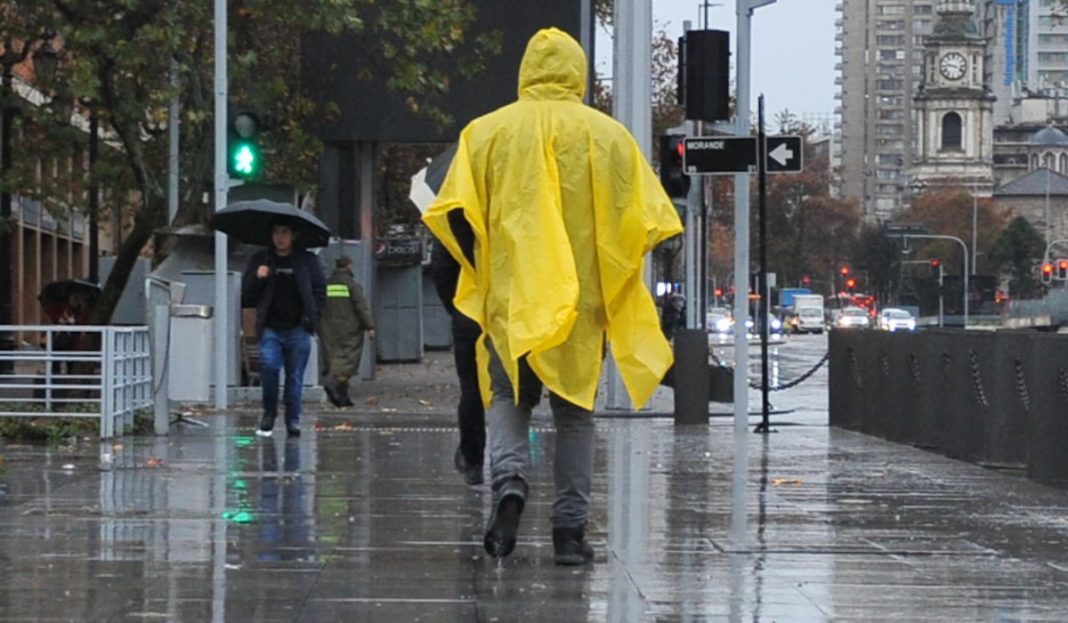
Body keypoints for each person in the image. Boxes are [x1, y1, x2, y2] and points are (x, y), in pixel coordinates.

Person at [423, 28, 682, 565]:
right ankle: (569, 533)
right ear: (578, 72)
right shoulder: (608, 137)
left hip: (511, 302)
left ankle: (510, 483)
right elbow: (648, 220)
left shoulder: (485, 134)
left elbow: (450, 213)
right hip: (580, 308)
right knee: (574, 418)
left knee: (508, 400)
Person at [241, 220, 326, 438]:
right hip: (270, 327)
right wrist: (258, 278)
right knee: (269, 367)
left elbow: (319, 292)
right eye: (276, 232)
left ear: (293, 235)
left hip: (298, 327)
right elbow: (247, 295)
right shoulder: (261, 260)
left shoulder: (307, 261)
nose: (280, 237)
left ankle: (293, 419)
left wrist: (312, 321)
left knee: (294, 376)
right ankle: (269, 412)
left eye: (285, 232)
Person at [430, 237, 485, 486]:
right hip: (509, 310)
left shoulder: (455, 207)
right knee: (509, 391)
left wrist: (456, 306)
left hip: (468, 311)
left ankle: (473, 461)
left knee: (472, 389)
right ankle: (512, 466)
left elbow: (442, 266)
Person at [320, 255, 375, 407]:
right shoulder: (352, 285)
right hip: (349, 328)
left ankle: (343, 398)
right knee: (347, 361)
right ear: (349, 265)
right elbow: (361, 307)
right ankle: (333, 384)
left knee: (334, 358)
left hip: (328, 328)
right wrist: (370, 326)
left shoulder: (327, 283)